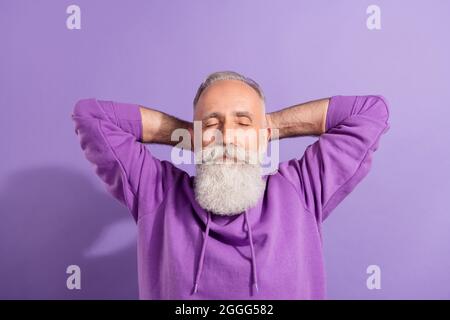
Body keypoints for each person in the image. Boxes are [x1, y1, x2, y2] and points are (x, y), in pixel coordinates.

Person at [71, 70, 390, 299]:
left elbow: (370, 113)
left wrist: (269, 126)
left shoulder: (302, 189)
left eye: (242, 122)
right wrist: (193, 135)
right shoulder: (158, 192)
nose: (226, 136)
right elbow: (91, 117)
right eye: (213, 123)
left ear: (266, 136)